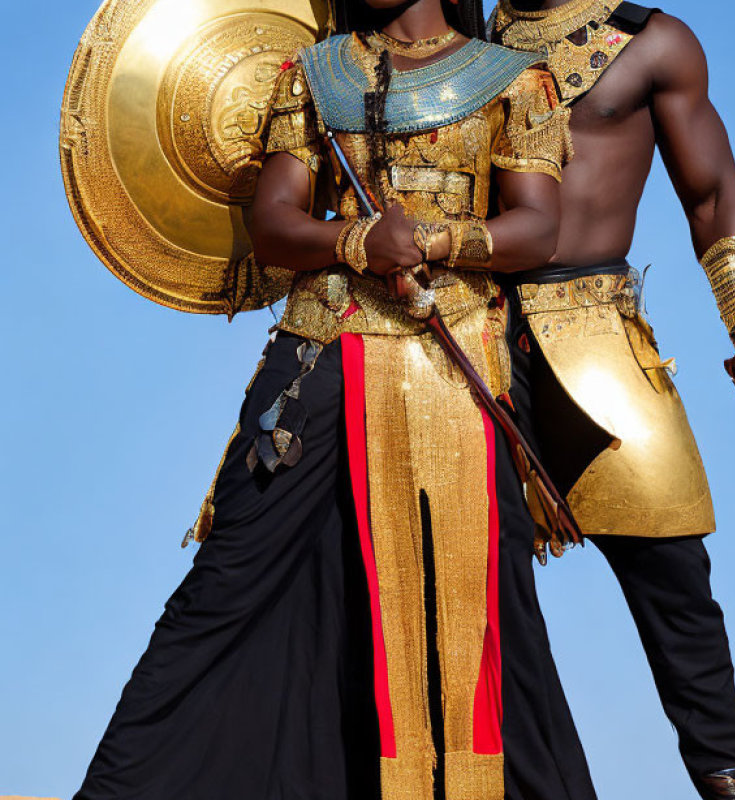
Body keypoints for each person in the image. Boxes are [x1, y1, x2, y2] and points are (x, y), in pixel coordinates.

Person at [72, 1, 593, 798]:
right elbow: (275, 223)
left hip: (462, 363)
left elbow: (537, 228)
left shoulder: (515, 80)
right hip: (321, 355)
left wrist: (431, 239)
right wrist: (355, 241)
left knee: (490, 615)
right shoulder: (313, 74)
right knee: (230, 577)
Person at [490, 1, 735, 798]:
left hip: (600, 336)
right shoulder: (462, 47)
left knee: (676, 581)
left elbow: (712, 195)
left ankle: (729, 782)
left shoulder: (653, 41)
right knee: (476, 584)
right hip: (478, 344)